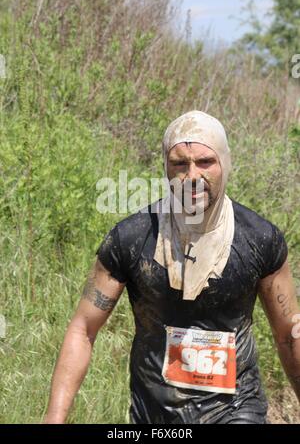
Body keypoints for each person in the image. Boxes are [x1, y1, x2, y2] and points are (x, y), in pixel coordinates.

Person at [44, 111, 300, 424]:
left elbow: (289, 334)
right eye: (180, 164)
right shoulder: (132, 238)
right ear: (165, 168)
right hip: (155, 415)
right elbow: (83, 329)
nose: (192, 176)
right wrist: (53, 419)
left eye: (206, 162)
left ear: (226, 163)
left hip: (237, 410)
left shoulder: (260, 239)